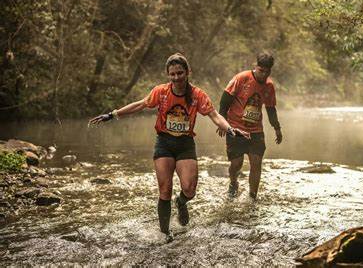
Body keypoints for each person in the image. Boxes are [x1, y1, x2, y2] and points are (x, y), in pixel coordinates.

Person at [89, 53, 249, 242]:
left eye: (180, 73)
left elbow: (214, 116)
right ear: (168, 75)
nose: (176, 78)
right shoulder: (161, 92)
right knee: (165, 188)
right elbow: (140, 105)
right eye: (172, 74)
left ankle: (181, 202)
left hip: (185, 145)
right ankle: (165, 234)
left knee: (189, 189)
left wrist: (230, 129)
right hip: (164, 143)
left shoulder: (198, 95)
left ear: (188, 72)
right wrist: (112, 114)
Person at [218, 51, 283, 200]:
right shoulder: (241, 78)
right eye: (261, 71)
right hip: (235, 127)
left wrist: (277, 128)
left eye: (267, 72)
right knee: (236, 164)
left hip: (255, 130)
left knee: (256, 163)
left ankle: (253, 198)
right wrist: (222, 123)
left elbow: (271, 108)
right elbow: (224, 101)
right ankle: (233, 182)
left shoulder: (269, 86)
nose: (264, 75)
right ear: (256, 67)